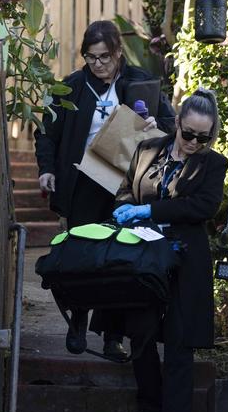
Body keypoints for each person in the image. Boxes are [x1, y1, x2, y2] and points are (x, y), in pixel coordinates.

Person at [34, 20, 176, 360]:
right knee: (82, 255)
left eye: (104, 57)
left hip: (126, 186)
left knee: (119, 261)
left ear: (117, 53)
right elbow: (45, 132)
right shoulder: (71, 87)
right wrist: (47, 170)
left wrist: (156, 126)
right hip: (84, 181)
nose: (97, 64)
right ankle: (77, 322)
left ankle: (113, 337)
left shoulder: (141, 81)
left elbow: (172, 126)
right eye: (91, 57)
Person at [113, 88, 227, 412]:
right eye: (189, 133)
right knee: (140, 329)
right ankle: (151, 402)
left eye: (203, 137)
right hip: (143, 256)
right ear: (176, 123)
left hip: (185, 258)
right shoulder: (148, 149)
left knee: (179, 340)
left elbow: (202, 207)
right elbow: (126, 190)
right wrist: (127, 209)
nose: (195, 142)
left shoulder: (213, 164)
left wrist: (151, 211)